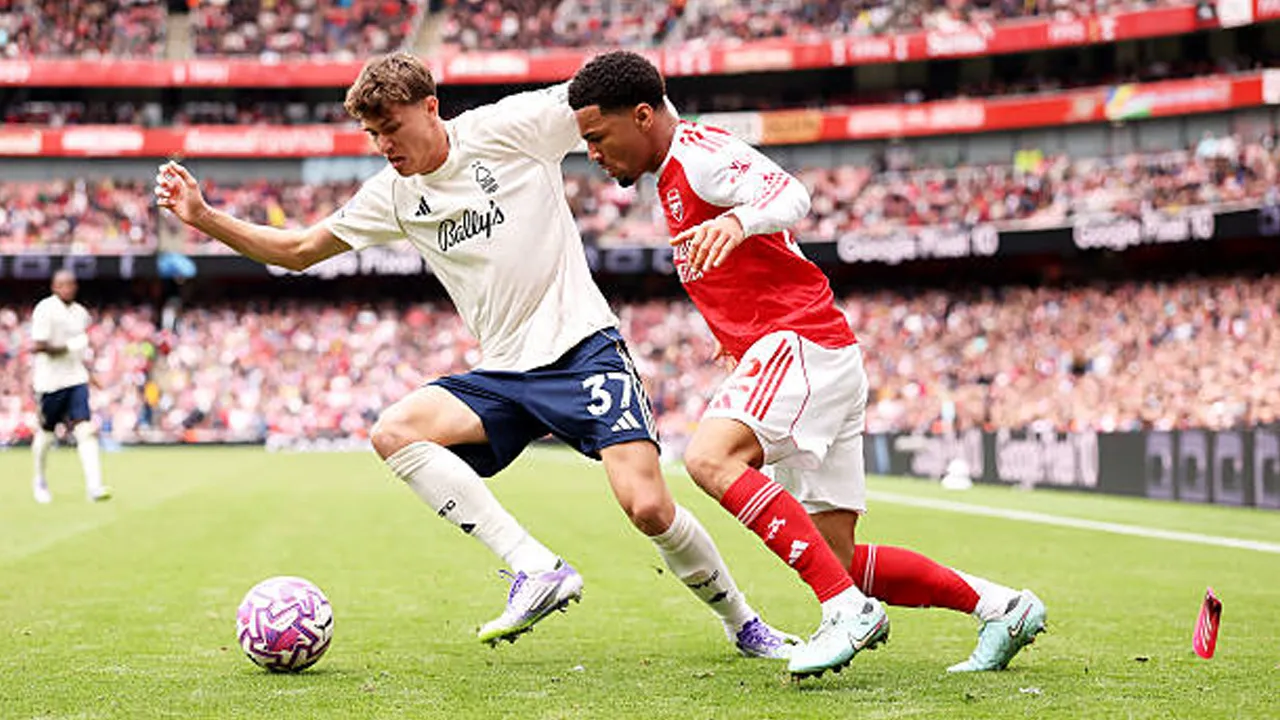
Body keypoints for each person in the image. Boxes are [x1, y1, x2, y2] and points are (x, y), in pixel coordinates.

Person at [154, 52, 798, 660]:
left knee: (649, 507)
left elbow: (615, 95)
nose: (385, 146)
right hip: (504, 372)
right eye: (374, 135)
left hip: (582, 350)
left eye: (392, 128)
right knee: (394, 430)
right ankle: (533, 566)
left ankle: (745, 624)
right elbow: (297, 251)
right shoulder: (393, 195)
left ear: (431, 107)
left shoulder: (511, 126)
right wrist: (205, 217)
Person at [567, 50, 1047, 675]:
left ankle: (845, 612)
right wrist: (734, 330)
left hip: (799, 344)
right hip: (818, 352)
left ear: (641, 115)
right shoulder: (673, 176)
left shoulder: (698, 154)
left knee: (711, 457)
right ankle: (1002, 606)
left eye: (599, 138)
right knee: (838, 556)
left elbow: (791, 194)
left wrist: (740, 221)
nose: (594, 154)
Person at [30, 269, 111, 504]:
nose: (67, 288)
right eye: (62, 284)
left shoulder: (80, 314)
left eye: (71, 284)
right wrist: (67, 346)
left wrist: (91, 374)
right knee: (46, 434)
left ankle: (94, 486)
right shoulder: (45, 309)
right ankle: (40, 479)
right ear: (54, 287)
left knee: (85, 430)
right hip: (50, 383)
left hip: (75, 379)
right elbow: (38, 346)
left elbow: (80, 352)